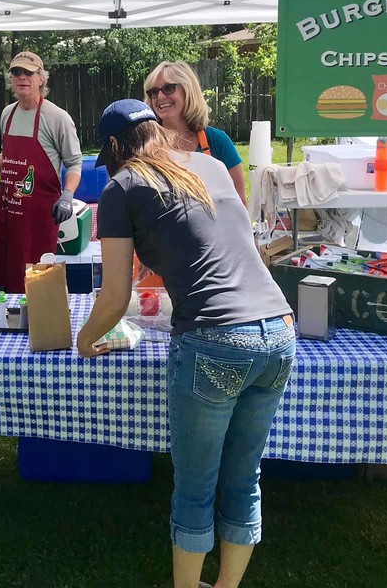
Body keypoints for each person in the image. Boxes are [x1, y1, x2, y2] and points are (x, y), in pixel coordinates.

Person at [76, 99, 294, 588]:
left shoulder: (122, 186)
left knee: (196, 489)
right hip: (279, 330)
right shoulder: (210, 165)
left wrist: (85, 340)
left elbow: (115, 297)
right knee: (243, 479)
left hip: (215, 338)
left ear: (114, 146)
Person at [0, 51, 83, 293]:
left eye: (28, 73)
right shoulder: (7, 114)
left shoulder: (58, 118)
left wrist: (67, 196)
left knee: (34, 285)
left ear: (41, 78)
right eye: (17, 72)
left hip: (38, 218)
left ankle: (34, 317)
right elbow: (9, 156)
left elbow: (74, 163)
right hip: (6, 211)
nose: (22, 77)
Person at [144, 60, 247, 205]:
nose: (160, 96)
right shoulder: (145, 144)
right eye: (154, 92)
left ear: (188, 90)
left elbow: (239, 205)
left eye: (168, 88)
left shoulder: (217, 141)